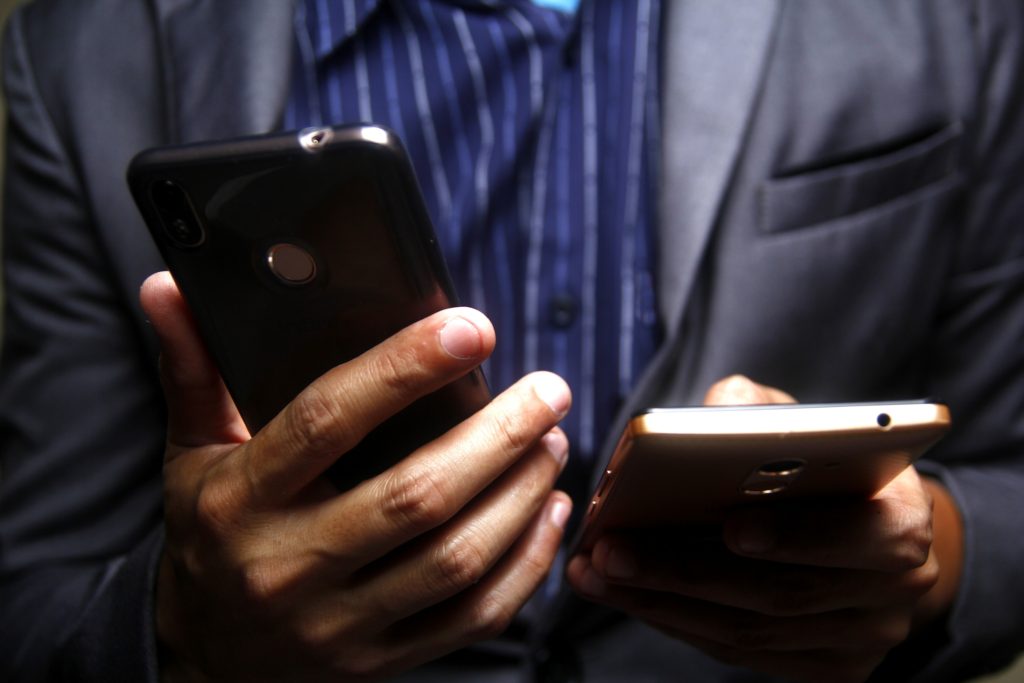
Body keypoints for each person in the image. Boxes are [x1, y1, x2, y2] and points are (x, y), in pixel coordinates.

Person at [2, 1, 1023, 681]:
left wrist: (921, 562)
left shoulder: (963, 17)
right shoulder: (81, 55)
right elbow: (33, 600)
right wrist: (183, 627)